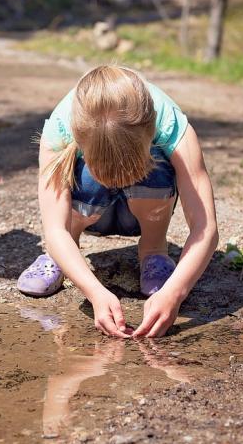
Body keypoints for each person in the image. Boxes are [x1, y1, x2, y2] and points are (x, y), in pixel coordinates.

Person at [17, 65, 218, 338]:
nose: (117, 182)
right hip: (89, 212)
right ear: (78, 137)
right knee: (77, 179)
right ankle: (61, 257)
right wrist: (95, 292)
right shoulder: (62, 127)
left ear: (150, 133)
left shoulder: (170, 124)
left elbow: (205, 227)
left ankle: (154, 251)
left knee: (158, 170)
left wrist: (174, 293)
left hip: (143, 212)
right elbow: (54, 228)